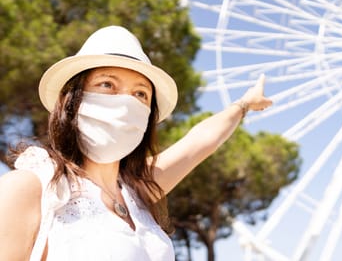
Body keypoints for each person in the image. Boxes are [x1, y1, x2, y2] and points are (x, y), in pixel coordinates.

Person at [0, 25, 272, 261]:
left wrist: (244, 104)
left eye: (140, 93)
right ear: (72, 100)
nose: (125, 102)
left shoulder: (137, 191)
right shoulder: (31, 188)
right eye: (107, 84)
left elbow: (198, 143)